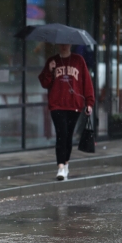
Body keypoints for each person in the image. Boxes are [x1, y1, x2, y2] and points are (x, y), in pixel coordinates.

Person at [38, 43, 95, 181]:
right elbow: (45, 83)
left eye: (67, 44)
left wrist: (89, 103)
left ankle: (66, 163)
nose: (64, 46)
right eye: (62, 44)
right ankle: (60, 167)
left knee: (68, 135)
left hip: (74, 105)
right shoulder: (52, 61)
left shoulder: (79, 60)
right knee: (61, 134)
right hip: (57, 104)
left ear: (70, 45)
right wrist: (50, 70)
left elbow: (86, 83)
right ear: (58, 45)